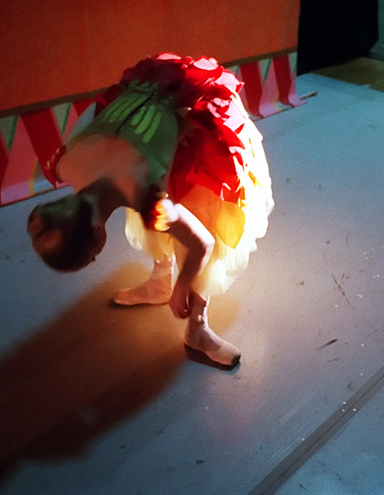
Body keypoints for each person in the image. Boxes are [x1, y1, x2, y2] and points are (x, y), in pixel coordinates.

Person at [27, 53, 273, 368]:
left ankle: (197, 326)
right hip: (153, 85)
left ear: (99, 234)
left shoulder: (148, 198)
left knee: (206, 216)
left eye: (93, 257)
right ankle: (159, 281)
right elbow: (94, 110)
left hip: (200, 119)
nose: (96, 257)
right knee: (141, 206)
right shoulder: (65, 163)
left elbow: (203, 244)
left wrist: (182, 286)